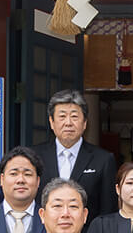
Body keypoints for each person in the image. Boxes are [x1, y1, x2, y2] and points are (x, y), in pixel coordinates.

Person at [30, 89, 118, 223]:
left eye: (74, 116)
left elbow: (108, 211)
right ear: (52, 122)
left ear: (85, 123)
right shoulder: (34, 157)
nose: (68, 123)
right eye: (62, 116)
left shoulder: (104, 160)